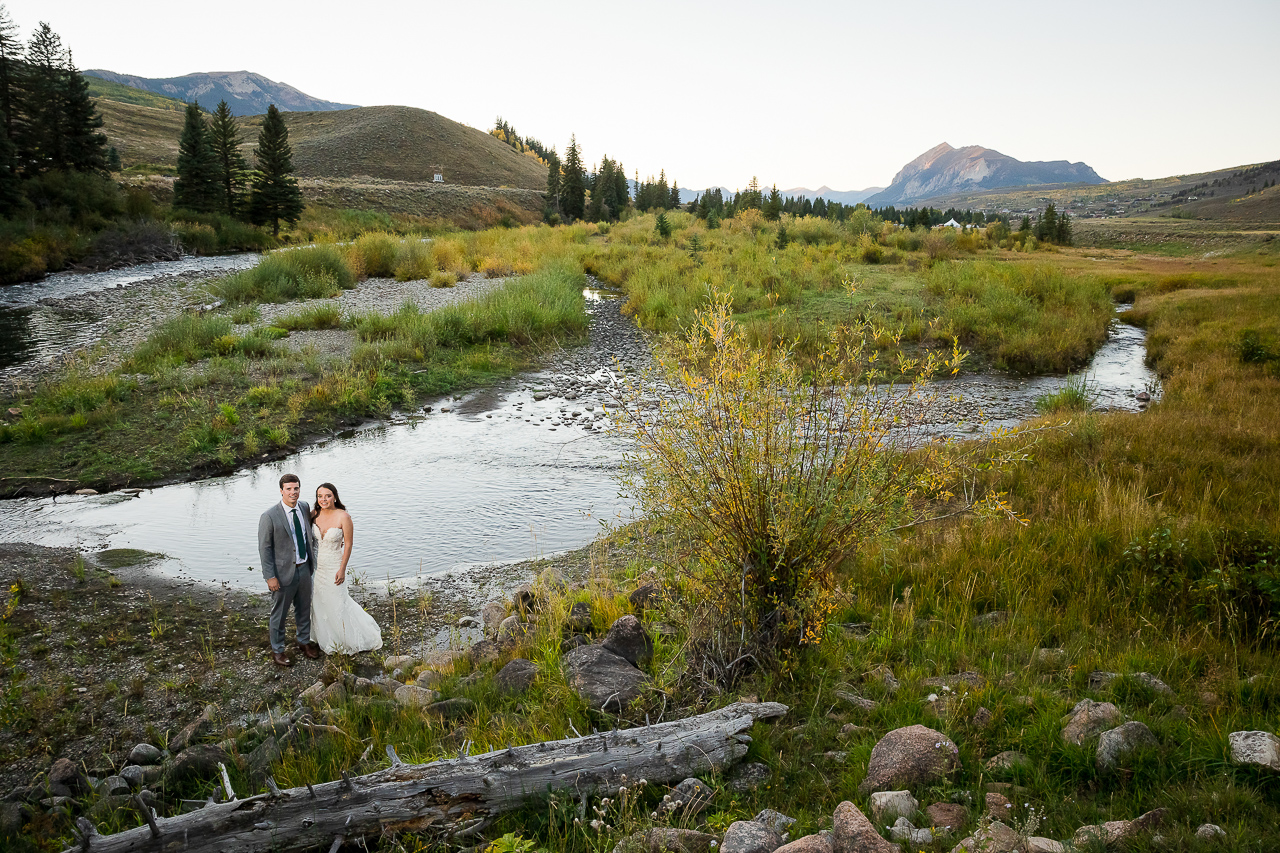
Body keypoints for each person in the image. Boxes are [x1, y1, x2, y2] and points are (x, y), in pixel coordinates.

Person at [309, 482, 382, 654]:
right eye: (320, 496)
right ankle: (327, 638)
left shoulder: (344, 517)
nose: (323, 499)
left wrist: (342, 569)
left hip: (335, 564)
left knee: (338, 600)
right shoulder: (313, 514)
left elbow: (348, 545)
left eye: (327, 495)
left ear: (334, 496)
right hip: (317, 567)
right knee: (319, 601)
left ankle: (349, 638)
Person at [257, 473, 319, 667]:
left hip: (304, 568)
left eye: (296, 488)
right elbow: (264, 548)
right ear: (281, 490)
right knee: (280, 614)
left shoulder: (304, 507)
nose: (293, 492)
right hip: (282, 574)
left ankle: (303, 641)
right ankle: (278, 650)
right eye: (289, 489)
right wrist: (270, 576)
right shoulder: (269, 516)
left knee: (304, 609)